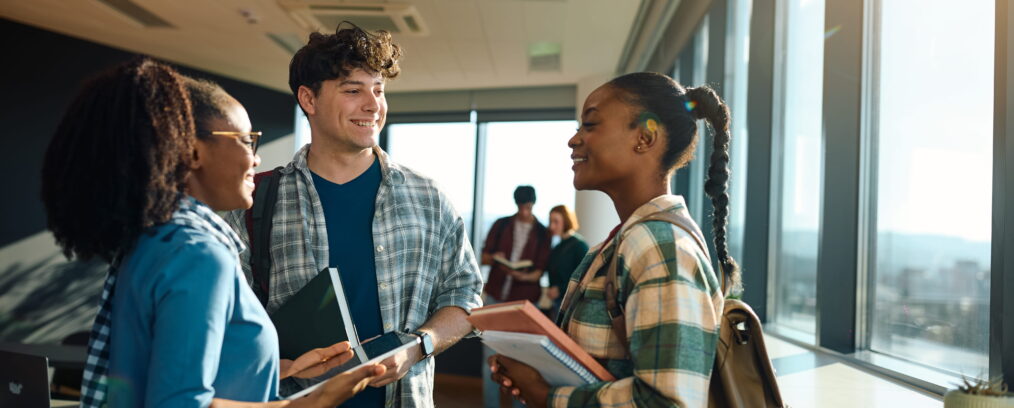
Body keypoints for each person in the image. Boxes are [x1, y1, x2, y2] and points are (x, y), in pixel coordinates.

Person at [42, 58, 384, 408]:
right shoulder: (199, 254)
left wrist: (281, 369)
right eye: (245, 140)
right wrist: (305, 404)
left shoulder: (155, 241)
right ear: (192, 152)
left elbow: (163, 372)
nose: (256, 159)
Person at [223, 23, 483, 407]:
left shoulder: (429, 198)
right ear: (308, 99)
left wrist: (417, 346)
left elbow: (464, 295)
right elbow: (228, 317)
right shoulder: (256, 199)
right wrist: (283, 366)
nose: (373, 104)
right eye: (353, 90)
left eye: (378, 90)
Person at [487, 72, 741, 408]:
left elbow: (667, 403)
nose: (574, 140)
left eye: (590, 125)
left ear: (645, 138)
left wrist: (547, 396)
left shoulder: (658, 245)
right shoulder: (628, 240)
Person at [478, 185, 551, 408]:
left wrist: (521, 275)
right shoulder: (501, 225)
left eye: (528, 207)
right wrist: (496, 258)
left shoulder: (542, 233)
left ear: (533, 204)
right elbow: (484, 257)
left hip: (525, 302)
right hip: (496, 297)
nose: (524, 212)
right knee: (489, 359)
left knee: (523, 361)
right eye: (521, 207)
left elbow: (540, 270)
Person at [544, 205, 589, 321]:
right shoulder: (557, 247)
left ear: (566, 221)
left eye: (556, 222)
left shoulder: (579, 245)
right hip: (557, 303)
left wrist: (560, 289)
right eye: (550, 221)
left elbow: (584, 277)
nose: (551, 226)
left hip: (571, 304)